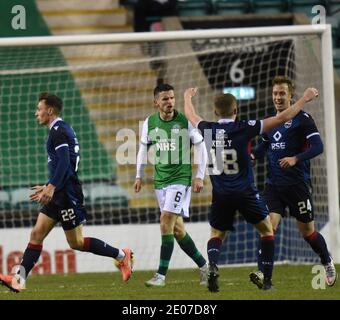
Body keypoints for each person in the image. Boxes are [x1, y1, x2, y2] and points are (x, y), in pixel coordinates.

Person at [183, 85, 319, 292]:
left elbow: (190, 114)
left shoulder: (206, 128)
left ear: (215, 112)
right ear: (236, 111)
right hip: (246, 192)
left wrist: (187, 97)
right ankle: (267, 281)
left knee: (217, 234)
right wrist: (304, 99)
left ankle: (212, 264)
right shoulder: (245, 127)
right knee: (266, 231)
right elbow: (282, 118)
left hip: (220, 194)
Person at [0, 92, 133, 293]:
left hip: (67, 193)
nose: (36, 113)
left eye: (39, 109)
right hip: (57, 192)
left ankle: (122, 256)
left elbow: (65, 163)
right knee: (36, 234)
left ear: (49, 110)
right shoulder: (59, 130)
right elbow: (62, 164)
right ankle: (18, 280)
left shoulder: (59, 131)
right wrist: (48, 185)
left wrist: (51, 187)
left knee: (76, 242)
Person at [249, 76, 337, 289]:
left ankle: (327, 261)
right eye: (275, 94)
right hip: (274, 186)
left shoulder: (303, 119)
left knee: (308, 233)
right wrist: (251, 156)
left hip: (298, 185)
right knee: (268, 227)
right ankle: (265, 277)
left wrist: (295, 158)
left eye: (282, 94)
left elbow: (318, 147)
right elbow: (264, 147)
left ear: (290, 95)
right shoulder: (270, 122)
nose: (278, 97)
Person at [134, 83, 208, 287]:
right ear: (156, 102)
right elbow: (142, 149)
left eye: (172, 98)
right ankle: (205, 267)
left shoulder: (185, 122)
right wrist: (138, 175)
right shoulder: (150, 122)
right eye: (165, 99)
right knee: (177, 230)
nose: (170, 102)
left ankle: (160, 276)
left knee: (165, 221)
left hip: (180, 180)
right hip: (160, 182)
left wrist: (199, 175)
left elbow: (202, 147)